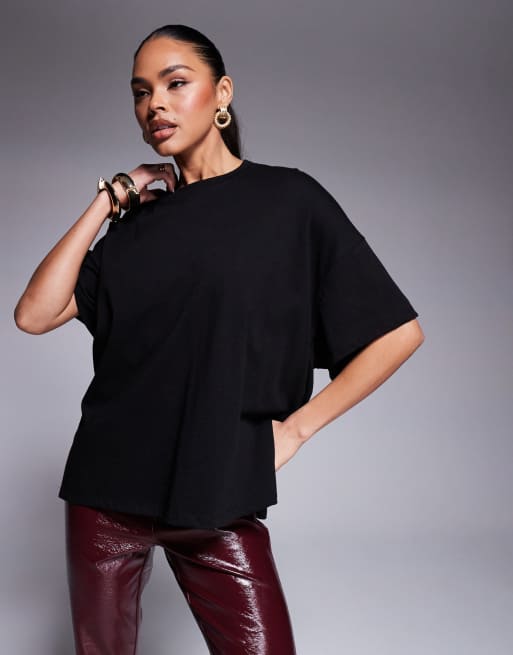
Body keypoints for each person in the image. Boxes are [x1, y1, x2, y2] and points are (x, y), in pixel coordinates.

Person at [13, 23, 425, 655]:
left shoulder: (288, 200)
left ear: (222, 93)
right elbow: (34, 314)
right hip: (104, 495)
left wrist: (296, 430)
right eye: (141, 92)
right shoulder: (134, 226)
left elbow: (398, 333)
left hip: (216, 490)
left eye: (175, 83)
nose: (155, 104)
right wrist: (110, 198)